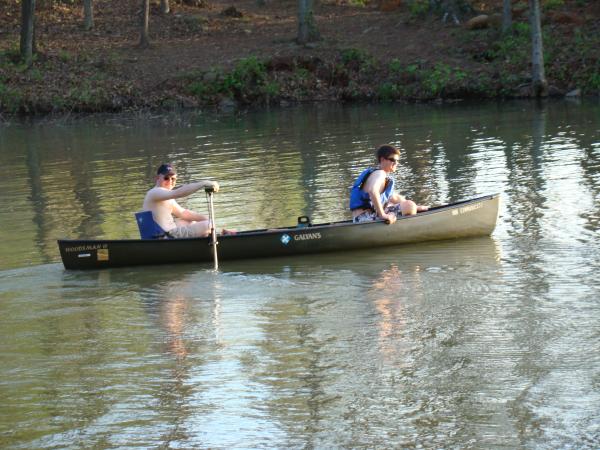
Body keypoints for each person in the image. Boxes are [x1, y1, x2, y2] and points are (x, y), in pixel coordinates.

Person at [142, 163, 230, 238]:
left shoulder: (164, 194)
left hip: (166, 232)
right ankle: (212, 235)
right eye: (166, 178)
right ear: (157, 178)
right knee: (209, 225)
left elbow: (183, 213)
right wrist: (204, 183)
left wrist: (207, 218)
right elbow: (179, 193)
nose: (170, 181)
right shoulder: (154, 192)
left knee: (191, 221)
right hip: (163, 236)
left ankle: (212, 234)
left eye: (173, 179)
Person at [349, 144, 428, 224]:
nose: (396, 163)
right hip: (365, 218)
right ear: (382, 159)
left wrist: (416, 207)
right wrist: (382, 215)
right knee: (409, 206)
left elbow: (394, 197)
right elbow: (372, 191)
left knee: (399, 204)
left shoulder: (379, 175)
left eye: (397, 161)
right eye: (393, 160)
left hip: (361, 218)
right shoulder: (380, 173)